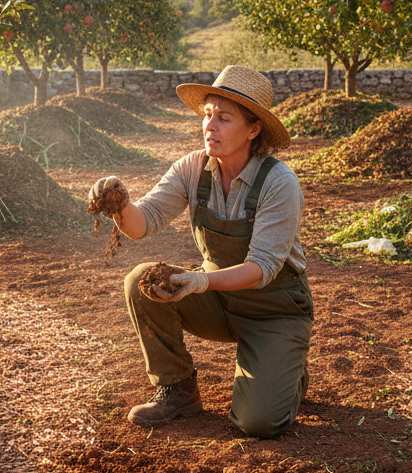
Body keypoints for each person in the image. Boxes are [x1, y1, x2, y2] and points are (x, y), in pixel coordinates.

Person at [89, 65, 311, 439]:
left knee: (256, 423)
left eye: (224, 119)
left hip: (274, 312)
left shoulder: (279, 182)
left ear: (253, 129)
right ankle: (177, 388)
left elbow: (263, 268)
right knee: (139, 282)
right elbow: (143, 222)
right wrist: (118, 204)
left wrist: (200, 280)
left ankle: (288, 372)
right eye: (208, 115)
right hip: (218, 301)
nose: (210, 126)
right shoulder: (192, 168)